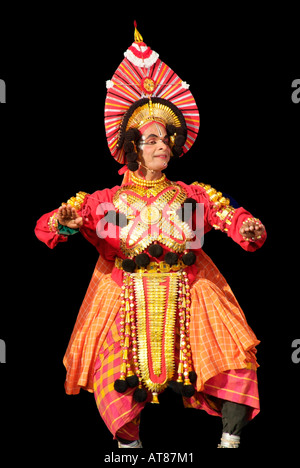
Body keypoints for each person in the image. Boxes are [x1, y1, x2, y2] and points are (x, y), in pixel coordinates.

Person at [35, 23, 266, 449]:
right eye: (153, 140)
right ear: (132, 148)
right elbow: (48, 225)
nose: (164, 146)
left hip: (192, 291)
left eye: (167, 140)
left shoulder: (191, 194)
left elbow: (229, 216)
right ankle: (129, 449)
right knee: (113, 379)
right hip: (125, 294)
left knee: (234, 360)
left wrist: (248, 227)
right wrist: (64, 220)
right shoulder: (105, 200)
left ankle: (230, 443)